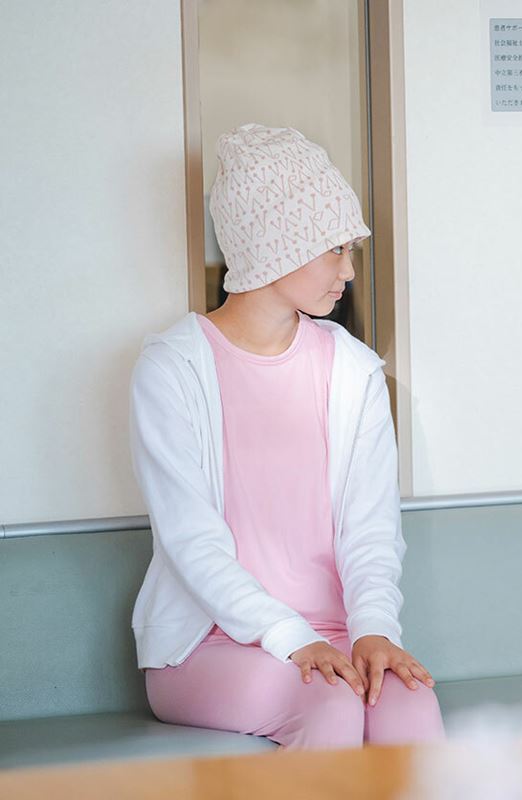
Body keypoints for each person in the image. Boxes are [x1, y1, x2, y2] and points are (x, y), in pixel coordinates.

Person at [130, 124, 443, 749]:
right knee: (329, 706)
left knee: (410, 709)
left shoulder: (353, 371)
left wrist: (375, 630)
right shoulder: (172, 368)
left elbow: (371, 530)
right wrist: (292, 637)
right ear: (279, 244)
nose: (348, 272)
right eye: (336, 250)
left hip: (337, 636)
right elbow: (191, 542)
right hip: (207, 645)